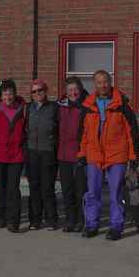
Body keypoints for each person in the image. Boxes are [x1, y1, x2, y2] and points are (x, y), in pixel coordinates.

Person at [79, 70, 139, 241]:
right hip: (94, 155)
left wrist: (133, 156)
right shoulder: (87, 105)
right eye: (99, 82)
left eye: (105, 81)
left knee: (116, 194)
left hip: (117, 155)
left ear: (110, 82)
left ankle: (116, 226)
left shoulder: (122, 105)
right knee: (92, 193)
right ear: (94, 84)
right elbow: (82, 133)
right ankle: (91, 224)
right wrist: (81, 154)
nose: (102, 85)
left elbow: (132, 133)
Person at [0, 79, 26, 233]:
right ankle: (0, 217)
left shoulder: (23, 109)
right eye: (5, 94)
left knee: (13, 189)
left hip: (16, 155)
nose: (8, 97)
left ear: (15, 93)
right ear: (0, 95)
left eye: (10, 93)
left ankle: (13, 221)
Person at [25, 79, 59, 231]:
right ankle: (35, 220)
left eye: (40, 90)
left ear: (46, 91)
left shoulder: (53, 108)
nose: (37, 93)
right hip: (32, 152)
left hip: (48, 152)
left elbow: (59, 130)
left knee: (48, 188)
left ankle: (51, 219)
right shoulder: (27, 108)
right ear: (31, 94)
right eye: (34, 91)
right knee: (34, 187)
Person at [57, 77, 88, 233]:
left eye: (75, 89)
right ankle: (70, 220)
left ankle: (82, 221)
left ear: (80, 89)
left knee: (81, 191)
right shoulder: (60, 106)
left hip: (79, 155)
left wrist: (84, 153)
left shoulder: (87, 106)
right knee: (67, 190)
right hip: (63, 155)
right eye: (69, 90)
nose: (73, 93)